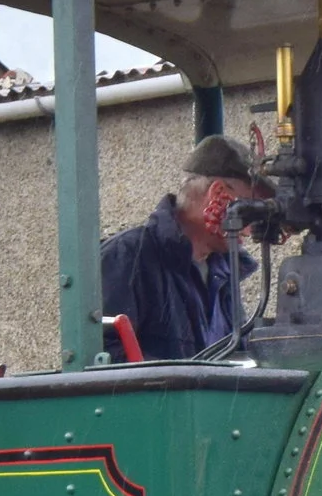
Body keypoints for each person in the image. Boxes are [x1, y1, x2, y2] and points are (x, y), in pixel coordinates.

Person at [98, 134, 261, 360]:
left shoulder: (224, 270)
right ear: (216, 192)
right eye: (247, 209)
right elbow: (104, 358)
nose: (249, 229)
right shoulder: (126, 256)